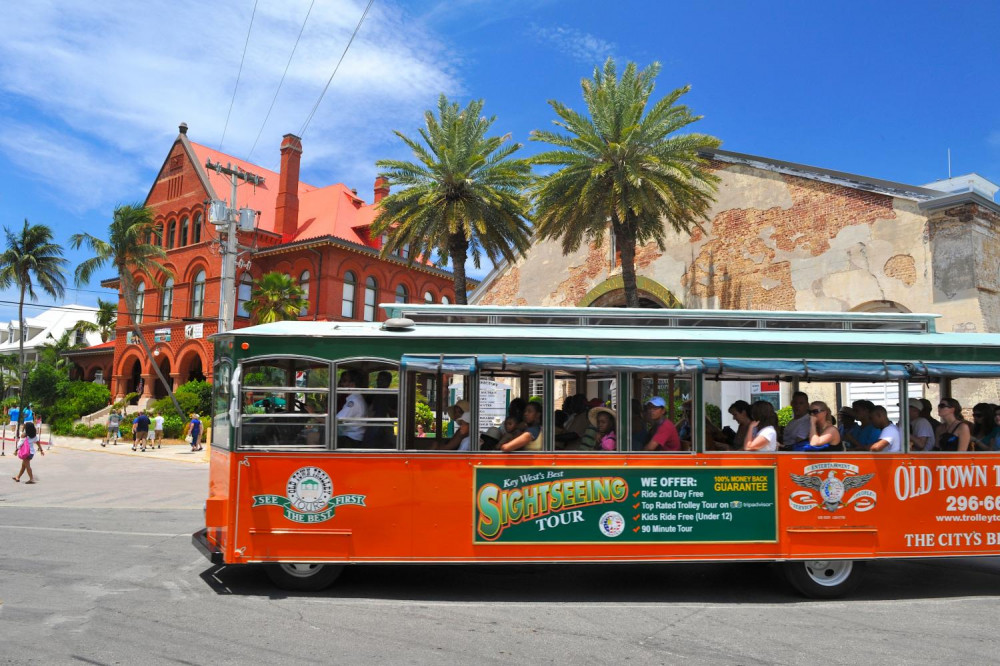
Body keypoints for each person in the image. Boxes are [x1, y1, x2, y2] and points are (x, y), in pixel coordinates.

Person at [336, 369, 368, 447]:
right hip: (352, 437)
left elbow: (337, 420)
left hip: (351, 440)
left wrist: (314, 414)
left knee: (314, 436)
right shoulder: (355, 398)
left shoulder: (353, 401)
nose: (342, 384)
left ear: (352, 384)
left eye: (344, 381)